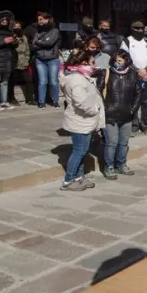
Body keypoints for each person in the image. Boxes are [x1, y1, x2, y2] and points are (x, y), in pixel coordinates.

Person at [59, 48, 105, 191]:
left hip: (84, 121)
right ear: (83, 62)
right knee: (79, 151)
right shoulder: (77, 79)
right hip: (80, 120)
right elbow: (81, 102)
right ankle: (68, 180)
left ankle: (79, 177)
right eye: (92, 62)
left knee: (83, 151)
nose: (94, 65)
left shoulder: (81, 76)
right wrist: (94, 110)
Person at [100, 49, 141, 180]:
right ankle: (109, 166)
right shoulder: (107, 73)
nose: (118, 63)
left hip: (126, 114)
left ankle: (121, 164)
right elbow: (99, 91)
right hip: (110, 114)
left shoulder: (133, 74)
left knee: (123, 142)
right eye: (116, 60)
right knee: (112, 142)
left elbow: (138, 94)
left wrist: (132, 109)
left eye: (120, 60)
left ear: (126, 61)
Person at [121, 20, 147, 135]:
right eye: (137, 28)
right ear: (132, 29)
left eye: (142, 28)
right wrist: (137, 71)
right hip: (132, 77)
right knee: (133, 103)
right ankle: (134, 126)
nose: (140, 30)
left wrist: (146, 71)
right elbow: (124, 58)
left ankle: (145, 126)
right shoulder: (126, 41)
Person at [31, 11, 62, 109]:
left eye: (41, 19)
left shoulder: (54, 30)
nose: (40, 21)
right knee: (42, 81)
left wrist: (39, 42)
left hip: (52, 59)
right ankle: (41, 102)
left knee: (53, 81)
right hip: (40, 59)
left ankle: (55, 101)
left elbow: (50, 43)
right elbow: (33, 44)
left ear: (47, 19)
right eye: (38, 20)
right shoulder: (37, 31)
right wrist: (43, 42)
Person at [7, 19, 34, 106]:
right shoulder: (11, 37)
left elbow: (27, 50)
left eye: (19, 27)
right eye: (15, 26)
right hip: (14, 61)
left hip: (23, 62)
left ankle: (30, 99)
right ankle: (11, 99)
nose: (17, 28)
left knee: (29, 80)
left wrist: (26, 60)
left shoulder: (24, 37)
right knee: (11, 81)